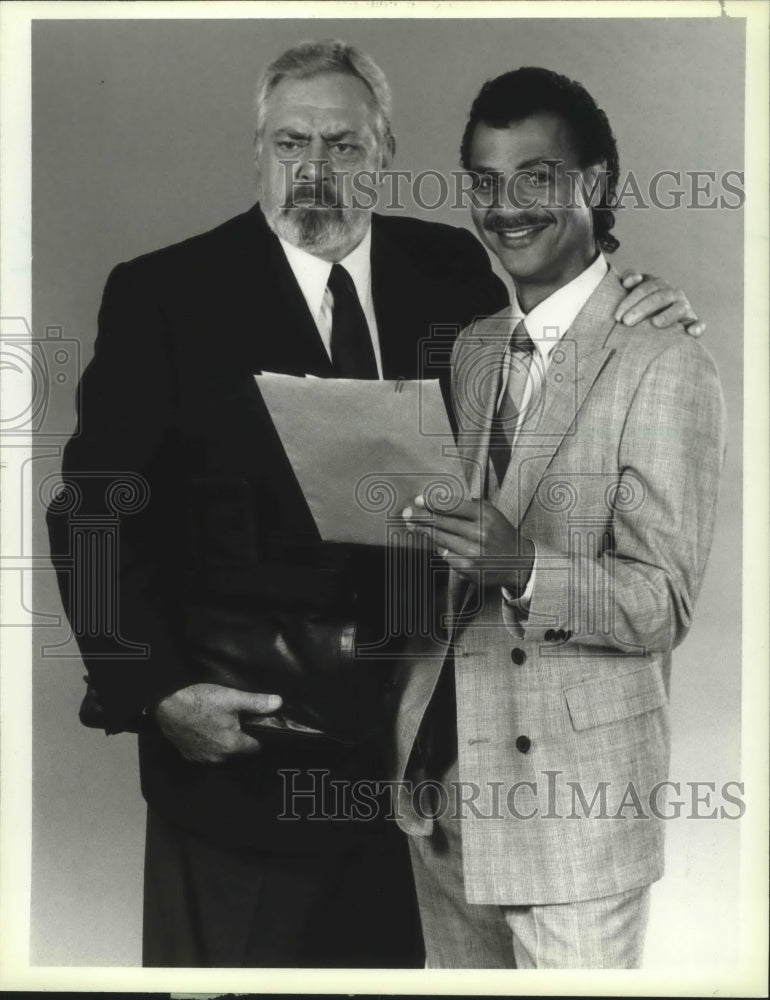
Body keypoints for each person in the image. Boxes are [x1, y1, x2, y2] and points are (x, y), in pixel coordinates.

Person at [47, 41, 705, 969]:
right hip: (242, 758)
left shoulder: (453, 273)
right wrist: (156, 693)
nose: (314, 172)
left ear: (387, 151)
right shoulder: (164, 293)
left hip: (414, 771)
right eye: (290, 144)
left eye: (344, 147)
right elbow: (91, 514)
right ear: (258, 150)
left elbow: (564, 328)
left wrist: (645, 298)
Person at [399, 66, 726, 969]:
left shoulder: (664, 359)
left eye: (536, 177)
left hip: (575, 811)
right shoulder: (468, 349)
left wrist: (527, 567)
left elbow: (661, 604)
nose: (506, 208)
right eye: (484, 182)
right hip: (443, 791)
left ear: (599, 183)